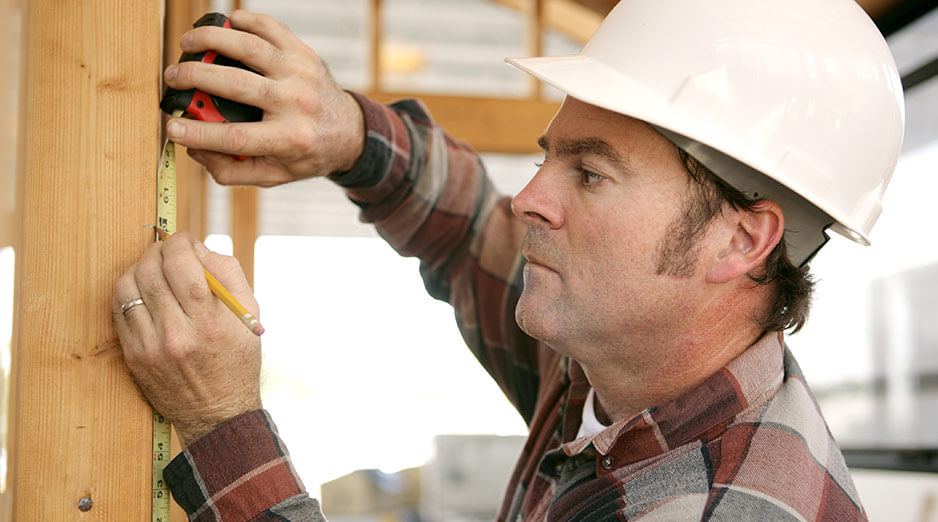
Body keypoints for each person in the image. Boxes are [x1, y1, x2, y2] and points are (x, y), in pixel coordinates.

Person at [113, 1, 904, 520]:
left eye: (589, 174)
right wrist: (347, 134)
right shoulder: (616, 365)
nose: (529, 198)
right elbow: (468, 236)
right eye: (548, 158)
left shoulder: (726, 508)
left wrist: (222, 423)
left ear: (740, 240)